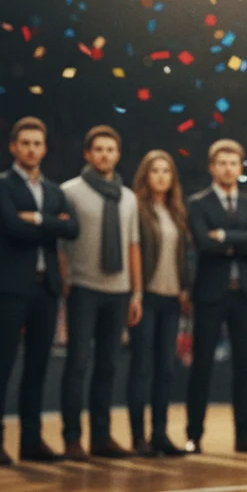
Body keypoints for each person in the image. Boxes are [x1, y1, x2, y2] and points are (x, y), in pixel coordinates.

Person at [60, 125, 143, 461]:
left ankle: (101, 436)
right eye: (99, 149)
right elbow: (60, 245)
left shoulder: (129, 197)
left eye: (111, 149)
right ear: (87, 154)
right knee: (77, 364)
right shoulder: (69, 191)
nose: (105, 155)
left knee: (108, 365)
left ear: (118, 155)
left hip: (119, 291)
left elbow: (133, 245)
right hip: (82, 288)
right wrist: (65, 286)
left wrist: (136, 293)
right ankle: (72, 438)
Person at [0, 117, 78, 465]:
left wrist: (38, 220)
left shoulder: (53, 190)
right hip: (10, 287)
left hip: (46, 289)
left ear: (44, 149)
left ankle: (31, 441)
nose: (32, 149)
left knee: (37, 367)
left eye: (37, 144)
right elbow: (13, 228)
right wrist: (51, 224)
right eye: (25, 143)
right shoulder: (2, 186)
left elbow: (72, 228)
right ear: (13, 147)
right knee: (2, 366)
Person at [186, 138, 247, 455]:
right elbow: (204, 244)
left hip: (245, 294)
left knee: (244, 369)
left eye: (233, 163)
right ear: (212, 167)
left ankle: (244, 435)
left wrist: (223, 236)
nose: (227, 168)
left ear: (241, 168)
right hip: (210, 293)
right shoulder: (197, 203)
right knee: (202, 367)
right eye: (221, 163)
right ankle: (194, 435)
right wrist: (244, 238)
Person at [128, 150, 190, 458]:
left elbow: (184, 255)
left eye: (167, 171)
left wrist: (184, 289)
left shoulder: (177, 211)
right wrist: (135, 294)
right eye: (155, 171)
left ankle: (160, 433)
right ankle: (139, 437)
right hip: (146, 297)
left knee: (166, 368)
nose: (162, 176)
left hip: (171, 298)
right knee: (142, 367)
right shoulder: (136, 209)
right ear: (145, 175)